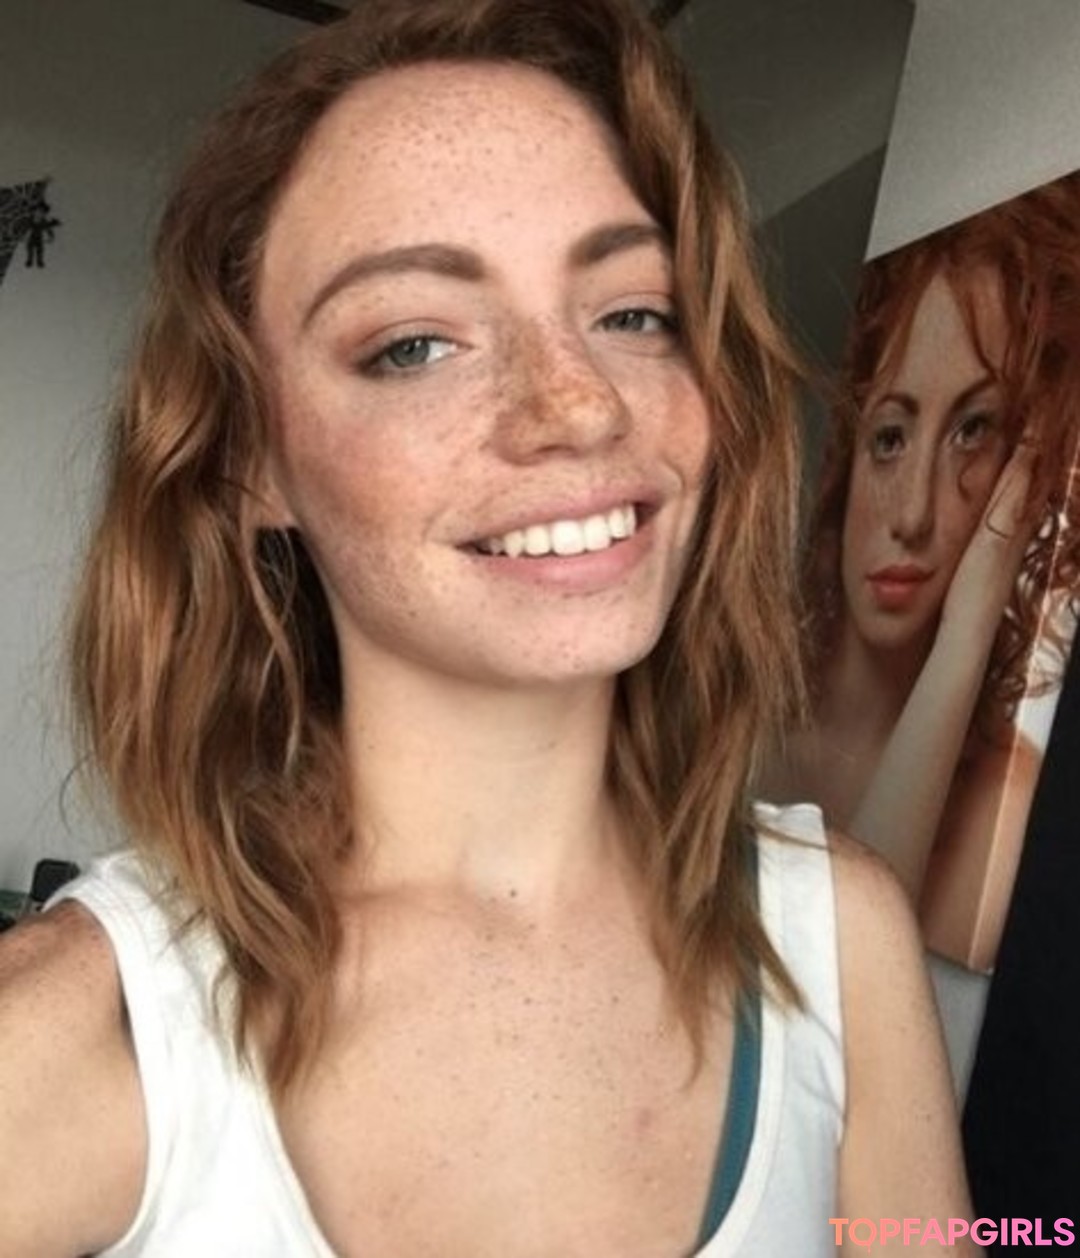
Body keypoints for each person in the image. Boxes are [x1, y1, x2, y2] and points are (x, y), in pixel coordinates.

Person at [0, 1, 973, 1254]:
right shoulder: (85, 1033)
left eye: (635, 312)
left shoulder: (840, 938)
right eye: (415, 344)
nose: (578, 406)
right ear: (251, 461)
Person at [766, 172, 1080, 972]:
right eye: (891, 437)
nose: (911, 515)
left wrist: (968, 633)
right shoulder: (745, 717)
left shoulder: (1007, 806)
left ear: (1023, 474)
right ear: (848, 456)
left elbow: (848, 981)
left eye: (973, 431)